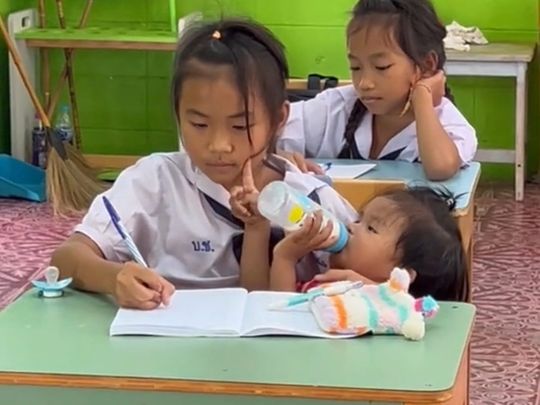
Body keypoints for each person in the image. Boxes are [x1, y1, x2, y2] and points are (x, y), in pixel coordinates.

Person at [50, 19, 358, 310]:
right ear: (177, 114)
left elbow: (386, 268)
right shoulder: (154, 181)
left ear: (279, 119)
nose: (218, 146)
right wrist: (114, 277)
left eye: (240, 126)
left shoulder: (311, 198)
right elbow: (66, 258)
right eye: (199, 124)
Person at [277, 0, 477, 181]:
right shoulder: (335, 107)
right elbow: (262, 130)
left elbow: (440, 168)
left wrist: (422, 96)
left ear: (426, 65)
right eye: (355, 67)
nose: (364, 83)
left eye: (381, 67)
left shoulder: (450, 125)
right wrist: (275, 157)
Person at [270, 187, 467, 301]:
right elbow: (281, 309)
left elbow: (286, 317)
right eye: (359, 219)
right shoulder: (326, 283)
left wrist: (285, 258)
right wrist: (285, 256)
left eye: (371, 228)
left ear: (402, 274)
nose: (351, 226)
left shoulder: (379, 308)